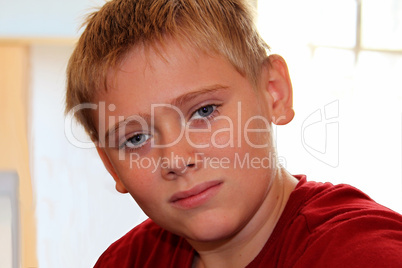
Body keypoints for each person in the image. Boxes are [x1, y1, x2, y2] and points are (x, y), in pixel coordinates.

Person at [65, 0, 402, 267]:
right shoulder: (125, 261)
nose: (178, 160)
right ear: (111, 166)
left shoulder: (363, 255)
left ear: (274, 93)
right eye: (136, 139)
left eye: (204, 111)